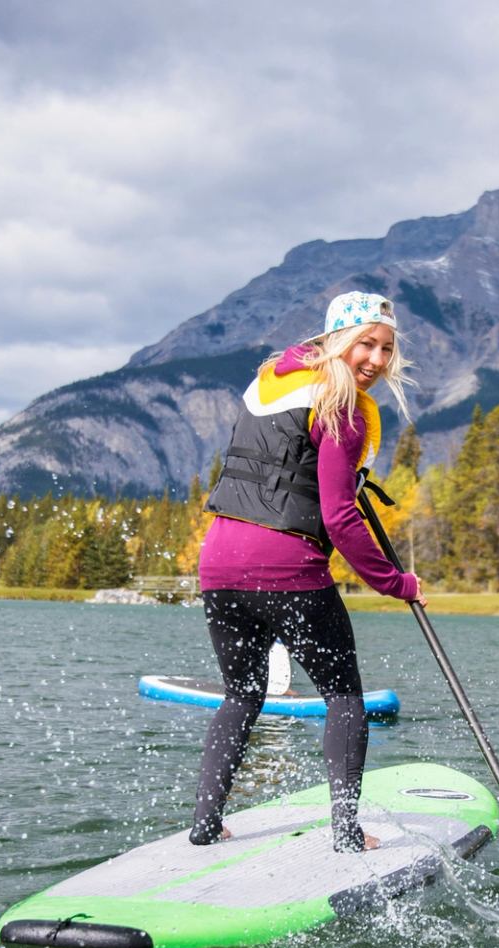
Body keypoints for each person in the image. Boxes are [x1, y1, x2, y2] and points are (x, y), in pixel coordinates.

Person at [188, 291, 422, 853]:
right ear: (336, 340)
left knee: (241, 694)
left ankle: (205, 823)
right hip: (286, 565)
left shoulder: (272, 380)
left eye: (386, 349)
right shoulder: (340, 405)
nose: (375, 359)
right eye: (366, 342)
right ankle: (345, 833)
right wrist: (396, 581)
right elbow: (340, 519)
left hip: (218, 562)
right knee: (343, 696)